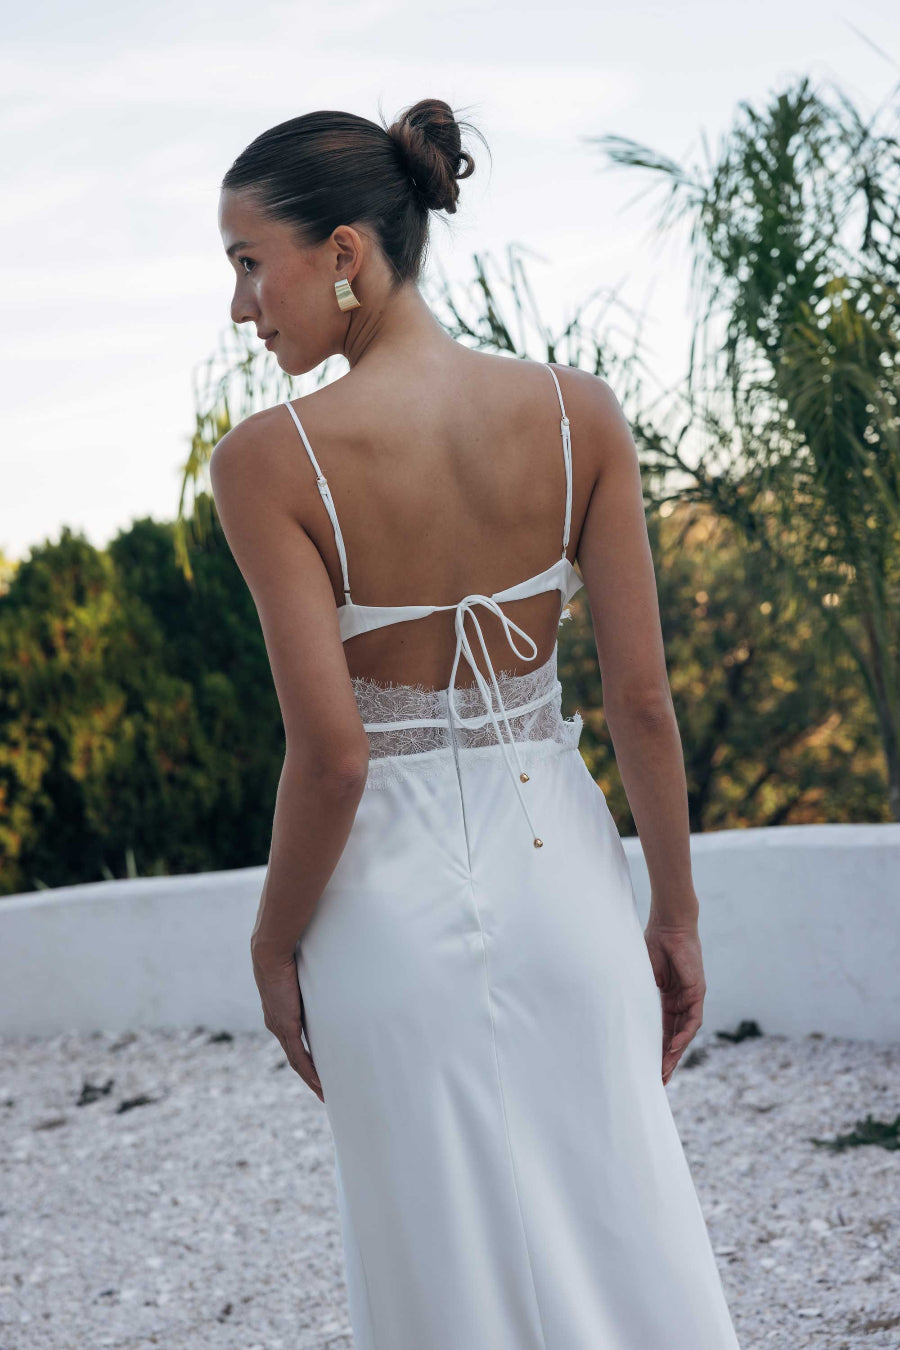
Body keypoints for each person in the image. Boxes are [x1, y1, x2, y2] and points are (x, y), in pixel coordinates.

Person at [211, 98, 741, 1350]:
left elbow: (334, 760)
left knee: (437, 1262)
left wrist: (273, 944)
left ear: (343, 251)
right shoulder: (579, 416)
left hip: (383, 916)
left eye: (248, 263)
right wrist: (673, 913)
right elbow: (643, 707)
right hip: (567, 889)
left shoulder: (270, 462)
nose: (240, 306)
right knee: (625, 1231)